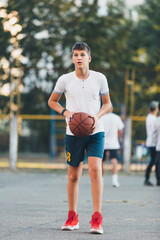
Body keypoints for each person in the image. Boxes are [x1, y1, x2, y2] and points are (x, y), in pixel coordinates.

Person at [48, 42, 112, 234]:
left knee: (95, 171)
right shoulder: (65, 80)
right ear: (72, 58)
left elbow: (108, 105)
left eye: (82, 54)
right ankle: (72, 217)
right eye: (75, 54)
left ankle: (97, 219)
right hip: (73, 132)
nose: (78, 58)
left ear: (89, 58)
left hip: (95, 131)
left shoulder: (100, 78)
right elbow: (52, 101)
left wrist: (96, 117)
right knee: (74, 175)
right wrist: (65, 112)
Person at [102, 109, 124, 187]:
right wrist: (118, 139)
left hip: (102, 142)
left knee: (101, 161)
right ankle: (114, 181)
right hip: (113, 143)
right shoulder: (116, 117)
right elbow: (121, 130)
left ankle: (101, 180)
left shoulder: (101, 117)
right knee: (114, 160)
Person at [144, 100, 159, 186]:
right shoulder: (153, 119)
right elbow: (154, 132)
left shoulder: (149, 117)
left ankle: (157, 179)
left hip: (151, 142)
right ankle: (147, 178)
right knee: (154, 161)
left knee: (156, 162)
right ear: (156, 108)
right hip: (153, 143)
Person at [155, 102, 160, 186]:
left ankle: (158, 180)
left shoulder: (157, 120)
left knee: (158, 163)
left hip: (158, 144)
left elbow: (154, 134)